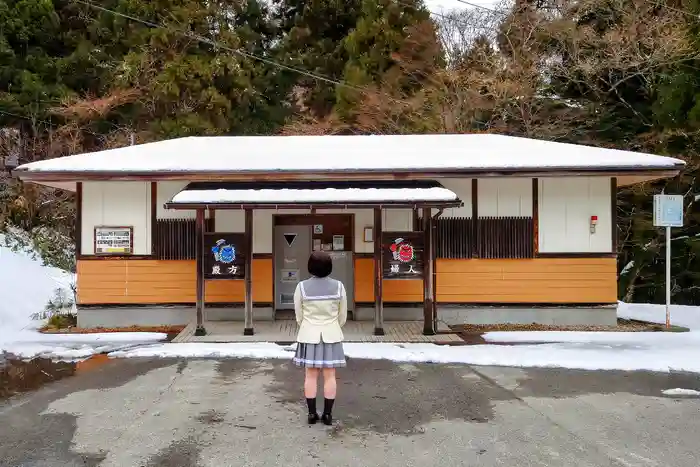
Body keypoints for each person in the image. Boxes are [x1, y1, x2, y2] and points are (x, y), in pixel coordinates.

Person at [292, 250, 348, 426]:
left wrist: (307, 326)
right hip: (331, 334)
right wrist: (333, 325)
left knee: (310, 375)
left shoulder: (301, 287)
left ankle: (311, 414)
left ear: (310, 267)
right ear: (329, 267)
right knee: (330, 376)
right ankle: (328, 415)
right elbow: (343, 315)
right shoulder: (339, 286)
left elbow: (298, 315)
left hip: (309, 335)